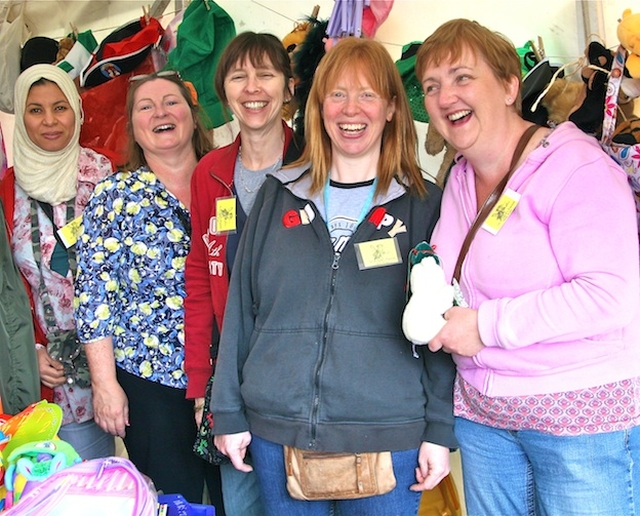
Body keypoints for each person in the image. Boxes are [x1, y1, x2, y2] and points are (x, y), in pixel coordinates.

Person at [210, 37, 457, 516]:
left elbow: (441, 320)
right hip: (277, 431)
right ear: (318, 107)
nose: (351, 109)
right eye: (337, 94)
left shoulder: (424, 203)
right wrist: (229, 411)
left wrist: (438, 430)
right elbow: (240, 309)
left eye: (367, 94)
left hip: (391, 434)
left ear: (390, 107)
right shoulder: (277, 195)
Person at [417, 18, 640, 516]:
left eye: (461, 77)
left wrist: (486, 326)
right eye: (432, 85)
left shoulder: (575, 167)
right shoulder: (458, 177)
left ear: (510, 85)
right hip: (484, 415)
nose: (445, 95)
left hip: (576, 417)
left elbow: (610, 294)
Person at [74, 71, 215, 503]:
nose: (159, 113)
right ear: (133, 126)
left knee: (241, 498)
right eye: (145, 106)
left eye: (170, 102)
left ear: (192, 115)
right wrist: (104, 384)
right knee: (176, 500)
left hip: (227, 373)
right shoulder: (113, 195)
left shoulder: (228, 181)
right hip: (150, 379)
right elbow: (93, 295)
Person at [185, 31, 302, 516]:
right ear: (224, 90)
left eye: (265, 74)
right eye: (239, 76)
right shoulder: (209, 172)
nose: (253, 88)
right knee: (244, 503)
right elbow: (198, 278)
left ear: (288, 87)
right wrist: (201, 385)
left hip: (303, 376)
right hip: (233, 380)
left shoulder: (317, 161)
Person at [0, 64, 115, 458]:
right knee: (79, 486)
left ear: (77, 111)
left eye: (60, 107)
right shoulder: (5, 191)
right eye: (35, 110)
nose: (50, 121)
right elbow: (7, 289)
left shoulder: (107, 174)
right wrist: (32, 350)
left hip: (126, 361)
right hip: (59, 376)